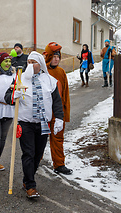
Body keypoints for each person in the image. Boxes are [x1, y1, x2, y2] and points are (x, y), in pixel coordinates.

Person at [4, 51, 64, 198]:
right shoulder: (20, 79)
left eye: (33, 62)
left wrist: (60, 118)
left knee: (38, 154)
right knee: (28, 153)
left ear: (40, 64)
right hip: (26, 123)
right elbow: (7, 97)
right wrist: (13, 95)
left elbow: (57, 102)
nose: (30, 65)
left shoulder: (49, 80)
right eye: (29, 62)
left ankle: (27, 179)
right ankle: (31, 186)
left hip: (43, 123)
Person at [43, 42, 72, 175]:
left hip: (57, 113)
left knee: (58, 139)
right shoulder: (42, 71)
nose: (56, 59)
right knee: (39, 139)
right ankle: (35, 160)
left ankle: (59, 164)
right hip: (42, 113)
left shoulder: (61, 72)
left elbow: (65, 94)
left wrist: (64, 113)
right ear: (48, 56)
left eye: (58, 56)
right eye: (54, 56)